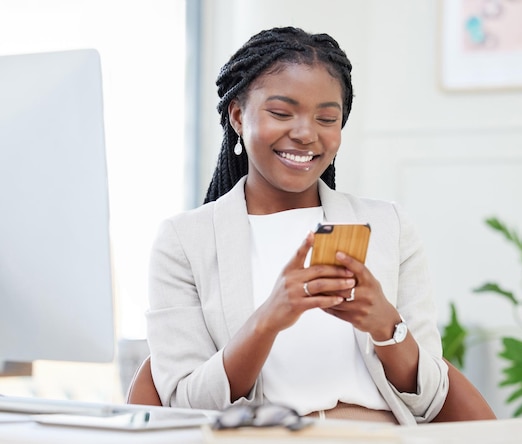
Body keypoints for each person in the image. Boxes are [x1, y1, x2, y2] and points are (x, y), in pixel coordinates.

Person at [146, 26, 448, 425]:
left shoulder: (387, 226)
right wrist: (268, 320)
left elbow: (430, 402)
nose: (306, 133)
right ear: (237, 115)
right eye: (281, 113)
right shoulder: (185, 242)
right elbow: (186, 407)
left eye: (327, 117)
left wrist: (386, 326)